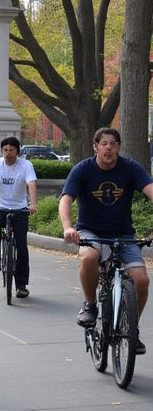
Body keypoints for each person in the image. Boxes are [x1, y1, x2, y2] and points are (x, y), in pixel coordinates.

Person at [59, 127, 152, 354]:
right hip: (91, 231)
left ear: (119, 147)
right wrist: (68, 227)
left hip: (123, 234)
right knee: (90, 256)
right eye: (104, 143)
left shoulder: (130, 168)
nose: (108, 148)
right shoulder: (83, 170)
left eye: (113, 143)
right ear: (96, 146)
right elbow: (66, 199)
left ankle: (132, 329)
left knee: (141, 280)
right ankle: (90, 305)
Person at [0, 136, 38, 298]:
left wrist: (33, 204)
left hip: (19, 210)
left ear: (17, 151)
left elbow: (31, 184)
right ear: (2, 151)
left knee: (21, 246)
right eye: (5, 150)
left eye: (11, 150)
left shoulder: (26, 165)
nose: (8, 153)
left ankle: (21, 285)